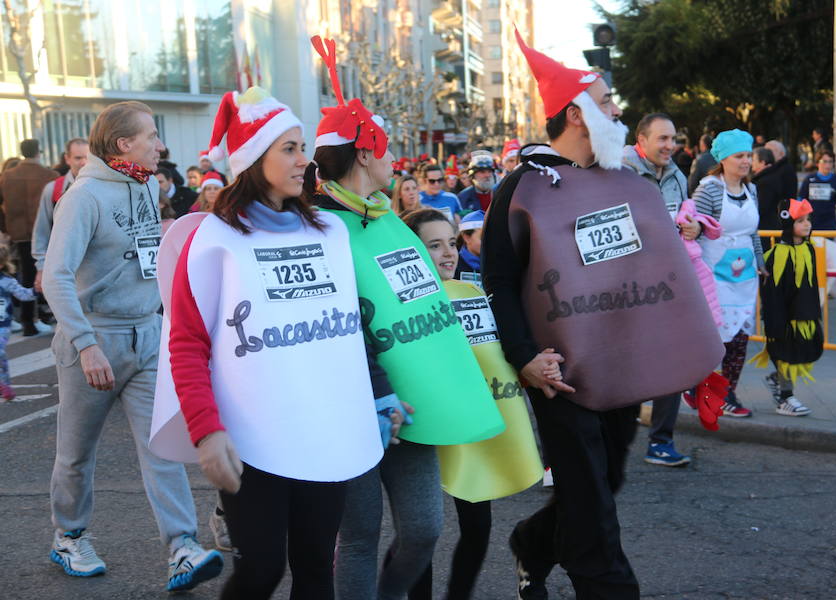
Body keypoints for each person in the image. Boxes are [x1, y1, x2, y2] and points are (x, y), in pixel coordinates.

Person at [483, 31, 722, 598]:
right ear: (576, 114)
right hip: (559, 372)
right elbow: (497, 280)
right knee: (589, 498)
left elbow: (646, 272)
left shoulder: (622, 181)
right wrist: (524, 357)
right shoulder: (521, 189)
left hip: (620, 368)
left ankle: (533, 545)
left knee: (602, 481)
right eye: (608, 102)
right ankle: (612, 589)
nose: (618, 110)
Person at [153, 85, 390, 600]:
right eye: (290, 148)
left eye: (303, 147)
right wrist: (206, 432)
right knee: (261, 572)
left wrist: (378, 395)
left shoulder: (328, 231)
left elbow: (349, 326)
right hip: (251, 439)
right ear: (253, 159)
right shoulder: (212, 238)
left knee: (314, 573)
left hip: (325, 430)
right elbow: (187, 344)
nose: (305, 160)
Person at [307, 36, 503, 600]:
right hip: (357, 405)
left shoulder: (389, 218)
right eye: (388, 148)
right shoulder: (321, 230)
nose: (396, 159)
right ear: (365, 154)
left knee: (423, 529)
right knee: (362, 535)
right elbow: (339, 325)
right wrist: (378, 391)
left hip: (417, 401)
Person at [42, 100, 222, 591]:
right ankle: (69, 536)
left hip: (147, 335)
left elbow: (144, 254)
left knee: (161, 446)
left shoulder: (144, 183)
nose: (160, 145)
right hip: (94, 341)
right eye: (151, 136)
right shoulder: (83, 197)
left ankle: (182, 546)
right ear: (124, 145)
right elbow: (54, 277)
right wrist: (85, 344)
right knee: (76, 454)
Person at [402, 207, 544, 600]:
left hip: (472, 427)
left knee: (478, 527)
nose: (448, 253)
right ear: (410, 250)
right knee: (419, 535)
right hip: (424, 429)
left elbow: (500, 353)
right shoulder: (401, 303)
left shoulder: (474, 291)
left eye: (451, 242)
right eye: (434, 245)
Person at [622, 112, 701, 467]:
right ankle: (607, 442)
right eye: (662, 139)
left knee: (675, 360)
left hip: (667, 280)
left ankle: (661, 441)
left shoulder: (677, 176)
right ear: (642, 140)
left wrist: (692, 228)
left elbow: (685, 216)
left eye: (673, 139)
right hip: (623, 286)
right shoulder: (618, 173)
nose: (670, 145)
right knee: (621, 364)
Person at [693, 129, 768, 418]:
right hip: (714, 279)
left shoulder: (752, 190)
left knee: (739, 340)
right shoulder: (709, 189)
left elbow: (753, 232)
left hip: (745, 279)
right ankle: (697, 385)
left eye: (749, 155)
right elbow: (694, 233)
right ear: (723, 159)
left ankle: (727, 394)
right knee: (717, 340)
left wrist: (760, 262)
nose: (746, 161)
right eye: (739, 156)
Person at [754, 199, 822, 417]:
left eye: (808, 220)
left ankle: (777, 382)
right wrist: (776, 320)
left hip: (805, 314)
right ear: (787, 223)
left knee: (806, 351)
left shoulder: (808, 249)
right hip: (783, 317)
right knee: (786, 355)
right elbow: (772, 291)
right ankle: (785, 398)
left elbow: (810, 284)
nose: (807, 224)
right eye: (800, 221)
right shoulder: (777, 255)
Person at [0, 138, 58, 336]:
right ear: (38, 152)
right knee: (47, 275)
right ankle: (36, 318)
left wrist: (5, 227)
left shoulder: (7, 176)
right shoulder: (49, 175)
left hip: (18, 232)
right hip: (44, 232)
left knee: (26, 276)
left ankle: (29, 320)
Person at [33, 138, 90, 299]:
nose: (84, 163)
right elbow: (41, 231)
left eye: (87, 157)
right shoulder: (53, 189)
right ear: (67, 158)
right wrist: (41, 267)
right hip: (64, 268)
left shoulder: (103, 187)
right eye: (78, 158)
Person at [0, 241, 35, 400]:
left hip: (2, 326)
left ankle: (5, 385)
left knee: (0, 353)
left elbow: (24, 295)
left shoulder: (7, 281)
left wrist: (39, 290)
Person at [798, 150, 836, 232]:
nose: (828, 165)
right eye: (824, 161)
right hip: (810, 223)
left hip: (829, 224)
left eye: (830, 162)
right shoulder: (809, 179)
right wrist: (795, 218)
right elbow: (800, 199)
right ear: (817, 163)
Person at [751, 146, 782, 249]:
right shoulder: (773, 176)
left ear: (762, 162)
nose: (751, 163)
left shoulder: (765, 182)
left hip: (766, 230)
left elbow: (761, 208)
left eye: (754, 159)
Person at [764, 140, 799, 205]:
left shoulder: (784, 170)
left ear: (781, 153)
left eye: (769, 152)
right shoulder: (778, 167)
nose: (766, 156)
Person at [454, 209, 484, 285]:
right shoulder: (453, 265)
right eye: (483, 238)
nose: (489, 242)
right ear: (466, 237)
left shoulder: (498, 263)